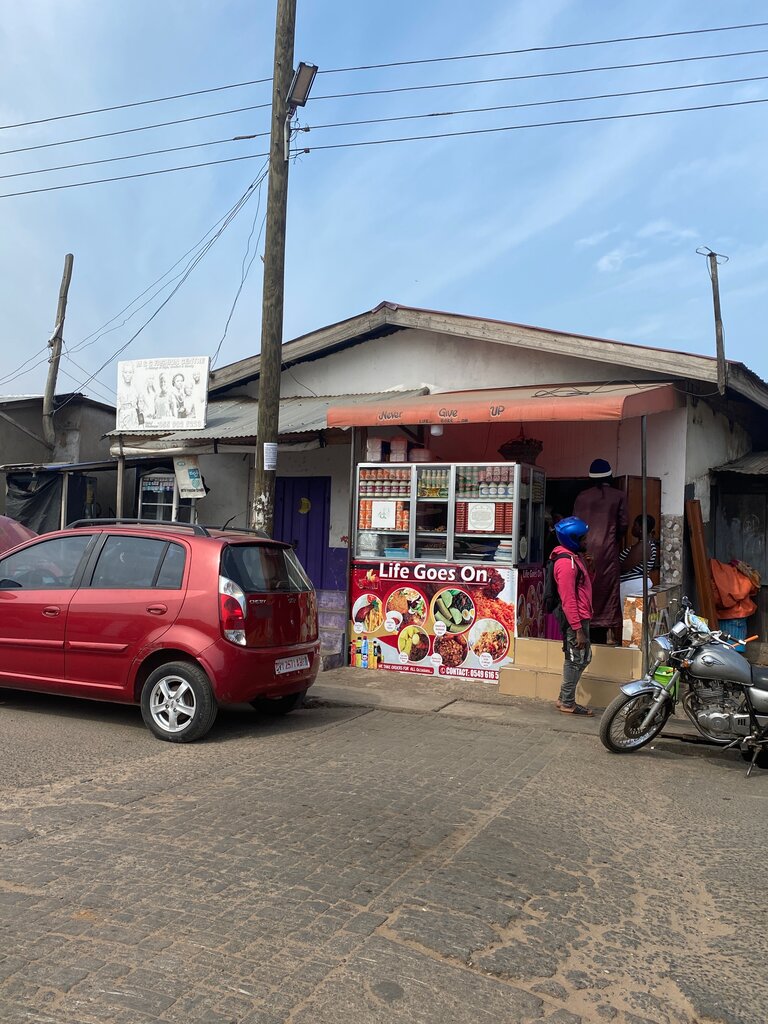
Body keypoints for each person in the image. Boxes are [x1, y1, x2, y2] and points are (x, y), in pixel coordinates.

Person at [573, 459, 628, 644]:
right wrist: (613, 540)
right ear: (610, 476)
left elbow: (575, 525)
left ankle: (580, 630)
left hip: (584, 550)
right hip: (607, 551)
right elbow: (623, 524)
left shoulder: (581, 496)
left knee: (583, 587)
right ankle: (610, 634)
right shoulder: (618, 496)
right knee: (609, 589)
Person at [550, 515, 594, 716]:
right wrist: (577, 629)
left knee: (579, 658)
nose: (586, 541)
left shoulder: (574, 559)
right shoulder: (566, 565)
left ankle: (563, 698)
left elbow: (583, 586)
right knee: (576, 659)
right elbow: (568, 600)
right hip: (574, 620)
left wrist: (590, 568)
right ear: (572, 540)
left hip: (581, 616)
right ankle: (567, 701)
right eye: (583, 539)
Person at [619, 515, 658, 607]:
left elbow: (625, 567)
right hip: (636, 586)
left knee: (632, 620)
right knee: (636, 620)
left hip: (633, 588)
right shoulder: (648, 544)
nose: (633, 528)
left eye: (635, 525)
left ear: (641, 528)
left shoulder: (642, 546)